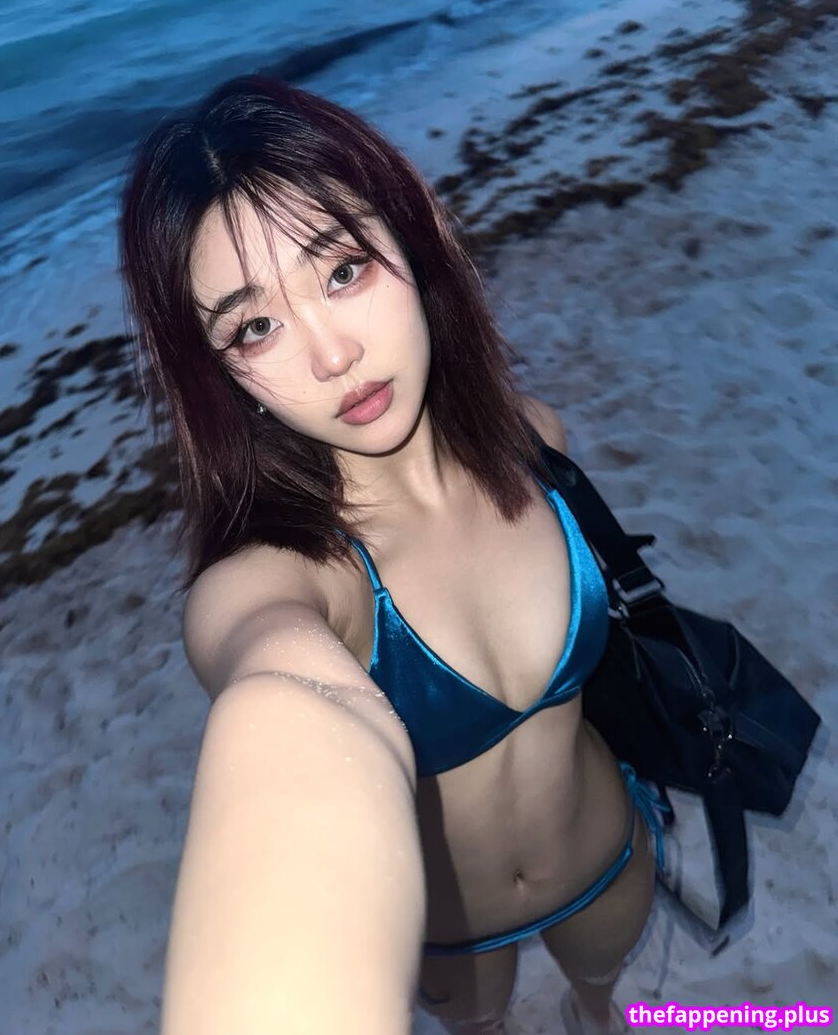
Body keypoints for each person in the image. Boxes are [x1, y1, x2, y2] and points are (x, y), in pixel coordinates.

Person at [120, 75, 668, 1035]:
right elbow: (278, 696)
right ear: (220, 376)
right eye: (255, 327)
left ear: (412, 242)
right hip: (450, 937)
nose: (332, 355)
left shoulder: (536, 441)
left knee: (604, 1005)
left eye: (342, 270)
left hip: (608, 857)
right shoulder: (284, 578)